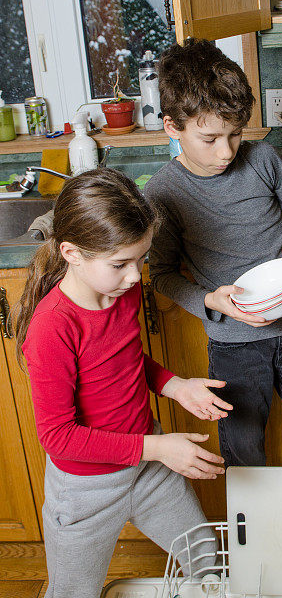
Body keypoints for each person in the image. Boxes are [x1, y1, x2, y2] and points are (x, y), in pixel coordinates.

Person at [12, 168, 230, 598]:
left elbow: (125, 361)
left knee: (209, 562)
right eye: (120, 264)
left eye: (141, 259)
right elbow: (57, 437)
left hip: (149, 468)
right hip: (85, 491)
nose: (135, 276)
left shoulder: (120, 291)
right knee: (73, 592)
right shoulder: (53, 327)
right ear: (72, 252)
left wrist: (174, 385)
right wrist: (158, 449)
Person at [144, 38, 282, 468]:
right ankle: (258, 538)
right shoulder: (163, 193)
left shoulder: (263, 160)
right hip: (234, 347)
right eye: (209, 137)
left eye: (235, 134)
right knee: (245, 457)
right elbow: (159, 274)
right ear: (172, 128)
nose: (226, 152)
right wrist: (208, 302)